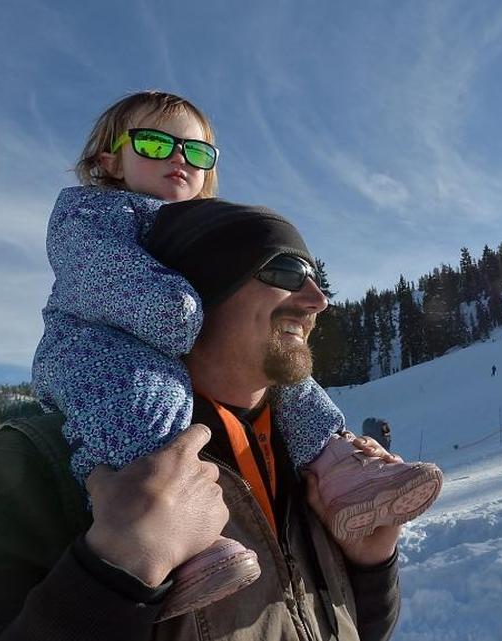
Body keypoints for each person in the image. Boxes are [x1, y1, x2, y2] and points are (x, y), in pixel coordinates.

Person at [30, 91, 441, 613]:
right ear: (109, 159)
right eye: (156, 143)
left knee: (295, 386)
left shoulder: (275, 444)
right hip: (100, 349)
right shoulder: (93, 213)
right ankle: (179, 543)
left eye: (197, 152)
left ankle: (339, 471)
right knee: (142, 399)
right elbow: (99, 271)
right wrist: (115, 576)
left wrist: (370, 567)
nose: (179, 157)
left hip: (164, 349)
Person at [0, 200, 417, 639]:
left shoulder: (314, 465)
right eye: (287, 271)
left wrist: (370, 567)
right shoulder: (29, 465)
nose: (318, 300)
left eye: (316, 278)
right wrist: (115, 571)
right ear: (200, 288)